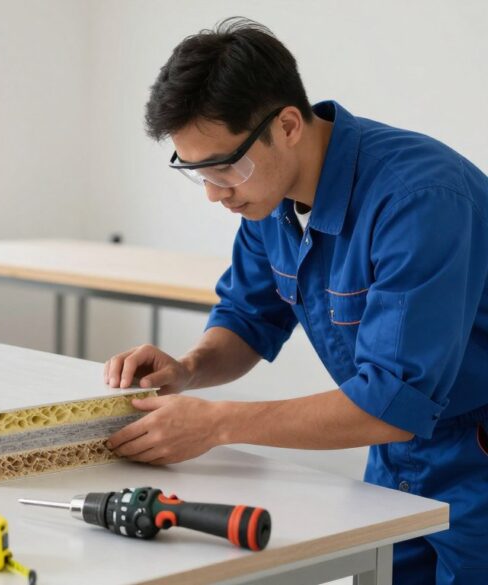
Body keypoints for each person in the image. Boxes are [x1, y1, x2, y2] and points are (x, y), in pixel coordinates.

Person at [103, 17, 488, 584]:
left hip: (474, 455)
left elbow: (392, 400)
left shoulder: (419, 200)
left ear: (286, 125)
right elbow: (249, 317)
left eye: (223, 167)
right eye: (195, 172)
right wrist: (188, 369)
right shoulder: (269, 200)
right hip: (396, 458)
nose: (213, 194)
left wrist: (216, 425)